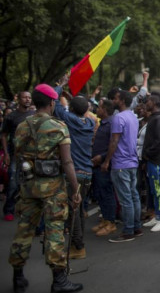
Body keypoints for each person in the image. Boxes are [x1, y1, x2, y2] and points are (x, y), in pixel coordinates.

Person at [8, 84, 83, 293]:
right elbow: (67, 162)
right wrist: (75, 190)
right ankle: (59, 280)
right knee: (55, 230)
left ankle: (17, 276)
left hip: (29, 186)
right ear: (52, 102)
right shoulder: (57, 126)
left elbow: (18, 155)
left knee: (24, 230)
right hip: (52, 188)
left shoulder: (22, 126)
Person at [53, 80, 95, 259]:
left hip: (74, 173)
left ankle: (78, 246)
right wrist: (72, 99)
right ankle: (78, 243)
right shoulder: (91, 123)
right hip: (87, 173)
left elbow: (54, 104)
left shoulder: (69, 119)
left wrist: (60, 85)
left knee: (73, 212)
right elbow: (81, 110)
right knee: (79, 210)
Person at [102, 90, 142, 242]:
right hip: (132, 162)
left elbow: (114, 141)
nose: (113, 100)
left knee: (126, 199)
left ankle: (128, 231)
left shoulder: (118, 118)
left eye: (116, 98)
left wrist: (106, 161)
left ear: (123, 101)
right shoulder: (133, 116)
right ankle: (136, 227)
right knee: (133, 196)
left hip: (121, 164)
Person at [1, 91, 34, 221]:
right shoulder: (11, 117)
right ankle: (9, 210)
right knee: (13, 183)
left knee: (28, 184)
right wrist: (6, 154)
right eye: (25, 97)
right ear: (18, 99)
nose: (27, 99)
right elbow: (3, 135)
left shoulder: (34, 115)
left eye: (29, 98)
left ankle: (24, 209)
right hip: (15, 155)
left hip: (30, 156)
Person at [141, 95, 160, 232]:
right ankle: (157, 217)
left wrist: (148, 153)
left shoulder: (158, 118)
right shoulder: (155, 117)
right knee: (154, 190)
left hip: (157, 160)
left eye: (149, 101)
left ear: (155, 103)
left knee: (159, 191)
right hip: (152, 160)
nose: (146, 103)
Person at [90, 99, 118, 237]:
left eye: (99, 108)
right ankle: (105, 219)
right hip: (97, 164)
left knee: (107, 194)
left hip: (104, 164)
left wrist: (102, 158)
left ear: (105, 110)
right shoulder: (103, 123)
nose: (97, 110)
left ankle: (110, 222)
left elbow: (114, 145)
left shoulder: (112, 123)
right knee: (100, 193)